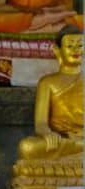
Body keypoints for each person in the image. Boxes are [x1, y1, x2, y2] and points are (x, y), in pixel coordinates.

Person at [17, 25, 82, 160]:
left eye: (80, 45)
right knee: (28, 147)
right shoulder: (47, 82)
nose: (76, 50)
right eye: (70, 46)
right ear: (57, 51)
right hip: (61, 141)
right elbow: (40, 123)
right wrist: (47, 133)